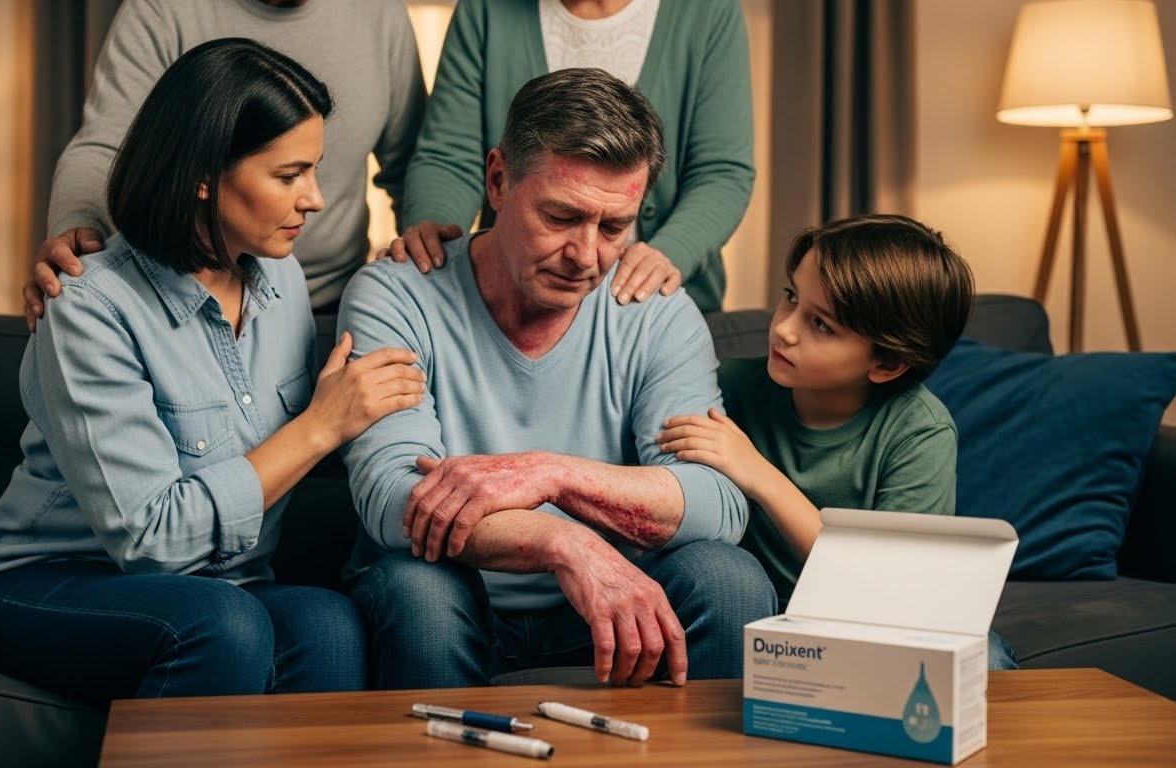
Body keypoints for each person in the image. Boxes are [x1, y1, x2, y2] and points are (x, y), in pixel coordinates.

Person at [0, 39, 427, 701]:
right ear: (202, 173)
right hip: (41, 581)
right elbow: (150, 540)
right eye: (288, 175)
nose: (314, 199)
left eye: (313, 171)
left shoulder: (283, 281)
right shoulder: (88, 308)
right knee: (222, 625)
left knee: (326, 621)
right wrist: (319, 427)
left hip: (216, 585)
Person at [340, 67, 777, 691]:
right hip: (452, 597)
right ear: (497, 180)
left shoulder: (654, 309)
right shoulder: (397, 293)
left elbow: (716, 502)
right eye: (561, 216)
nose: (586, 256)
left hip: (613, 607)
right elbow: (394, 500)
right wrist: (564, 543)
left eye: (613, 227)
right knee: (419, 591)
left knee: (729, 578)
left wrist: (554, 473)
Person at [656, 213, 1018, 670]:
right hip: (749, 617)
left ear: (886, 365)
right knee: (722, 578)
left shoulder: (919, 430)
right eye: (790, 298)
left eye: (821, 324)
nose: (785, 328)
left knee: (984, 656)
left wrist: (759, 475)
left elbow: (883, 587)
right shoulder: (728, 387)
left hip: (867, 623)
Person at [23, 0, 426, 328]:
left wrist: (422, 273)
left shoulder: (382, 13)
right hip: (187, 302)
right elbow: (106, 144)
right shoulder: (161, 10)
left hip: (333, 303)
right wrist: (76, 233)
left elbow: (414, 162)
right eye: (289, 176)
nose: (315, 200)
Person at [386, 0, 755, 314]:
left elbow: (721, 172)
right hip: (515, 302)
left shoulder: (707, 11)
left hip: (649, 301)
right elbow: (450, 155)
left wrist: (667, 254)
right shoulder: (486, 8)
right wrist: (436, 237)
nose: (585, 256)